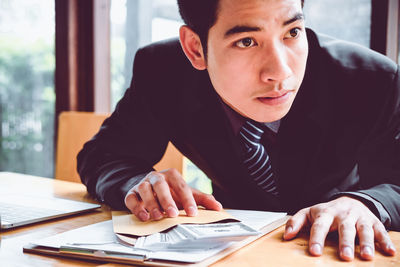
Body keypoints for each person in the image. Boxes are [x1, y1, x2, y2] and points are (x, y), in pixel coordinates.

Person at [77, 0, 400, 261]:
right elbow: (102, 156)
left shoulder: (370, 79)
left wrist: (367, 204)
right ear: (195, 49)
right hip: (229, 254)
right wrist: (138, 183)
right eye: (246, 41)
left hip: (340, 254)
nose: (280, 72)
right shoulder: (163, 71)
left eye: (292, 32)